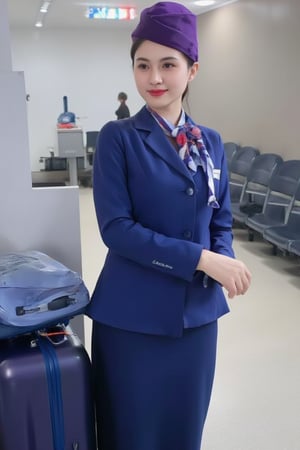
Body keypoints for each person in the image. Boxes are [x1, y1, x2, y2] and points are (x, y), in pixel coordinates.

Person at [87, 2, 251, 449]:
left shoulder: (210, 142)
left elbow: (220, 218)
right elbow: (116, 228)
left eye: (167, 64)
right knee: (131, 432)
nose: (154, 78)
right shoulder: (118, 138)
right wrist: (202, 259)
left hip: (196, 319)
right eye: (143, 65)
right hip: (131, 319)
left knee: (184, 429)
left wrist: (225, 259)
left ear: (192, 69)